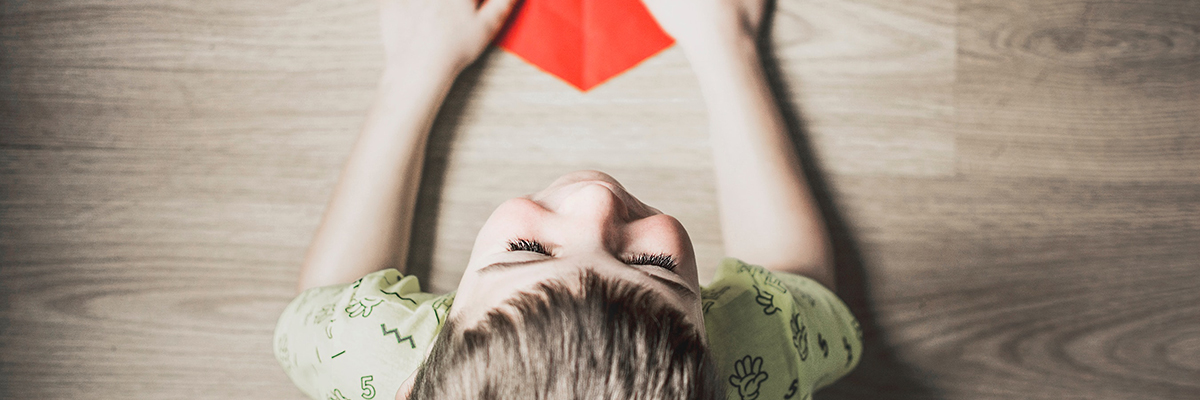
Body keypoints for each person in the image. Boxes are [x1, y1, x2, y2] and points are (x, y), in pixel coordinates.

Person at [272, 0, 862, 398]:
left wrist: (414, 68)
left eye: (528, 250)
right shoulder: (754, 358)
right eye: (654, 265)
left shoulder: (370, 354)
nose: (595, 199)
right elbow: (805, 289)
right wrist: (724, 43)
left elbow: (317, 306)